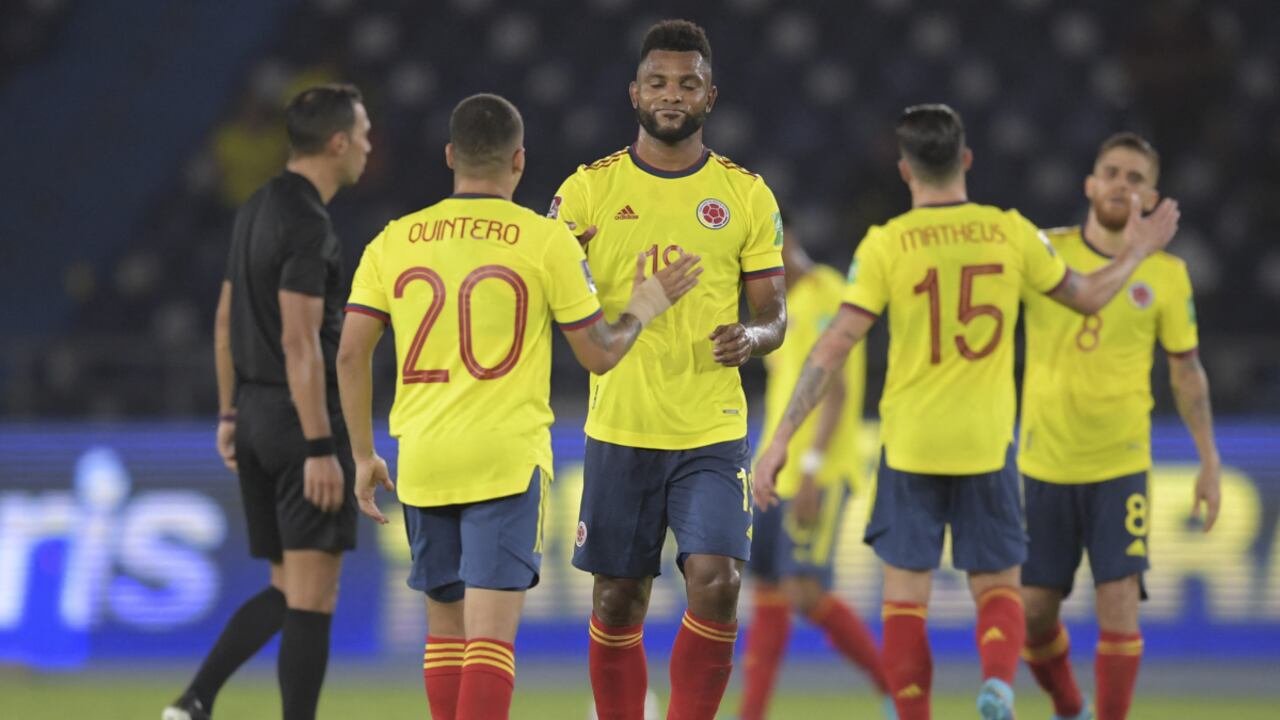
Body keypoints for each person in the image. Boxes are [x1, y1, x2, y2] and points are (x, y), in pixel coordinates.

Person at [753, 104, 1181, 720]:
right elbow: (1088, 297)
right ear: (967, 161)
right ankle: (998, 683)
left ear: (905, 170)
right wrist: (1136, 254)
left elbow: (834, 347)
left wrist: (780, 441)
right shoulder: (1010, 232)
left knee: (905, 598)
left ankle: (913, 713)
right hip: (985, 442)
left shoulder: (885, 244)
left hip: (910, 444)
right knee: (999, 585)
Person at [336, 93, 701, 720]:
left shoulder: (393, 241)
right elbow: (598, 354)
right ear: (520, 161)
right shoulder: (544, 240)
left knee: (444, 634)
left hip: (422, 456)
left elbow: (349, 355)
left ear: (451, 156)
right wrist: (643, 304)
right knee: (489, 640)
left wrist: (363, 454)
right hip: (504, 457)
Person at [549, 19, 788, 720]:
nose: (672, 95)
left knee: (717, 582)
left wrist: (752, 334)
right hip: (621, 424)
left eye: (688, 83)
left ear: (711, 95)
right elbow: (544, 297)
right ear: (635, 93)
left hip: (710, 429)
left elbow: (776, 315)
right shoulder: (588, 192)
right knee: (617, 599)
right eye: (658, 82)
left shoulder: (747, 195)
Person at [164, 83, 372, 720]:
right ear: (337, 143)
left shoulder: (256, 206)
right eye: (363, 133)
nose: (368, 145)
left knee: (288, 589)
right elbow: (300, 339)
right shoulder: (308, 223)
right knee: (315, 597)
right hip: (297, 418)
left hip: (255, 414)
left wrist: (229, 413)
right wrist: (318, 446)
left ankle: (194, 701)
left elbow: (227, 317)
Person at [1017, 133, 1221, 720]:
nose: (1121, 186)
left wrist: (1209, 459)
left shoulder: (1169, 276)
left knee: (1120, 602)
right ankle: (1068, 704)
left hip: (1120, 465)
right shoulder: (1045, 253)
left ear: (1151, 198)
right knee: (1033, 614)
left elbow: (1187, 374)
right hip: (1042, 464)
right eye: (1111, 172)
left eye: (1135, 179)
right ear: (1089, 184)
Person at [739, 227, 892, 720]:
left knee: (805, 592)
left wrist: (811, 468)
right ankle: (751, 713)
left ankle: (896, 691)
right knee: (767, 590)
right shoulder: (780, 311)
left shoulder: (826, 291)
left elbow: (838, 387)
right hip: (777, 470)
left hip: (817, 470)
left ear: (784, 245)